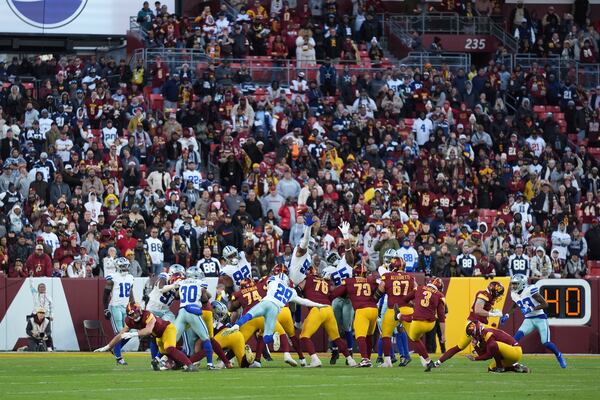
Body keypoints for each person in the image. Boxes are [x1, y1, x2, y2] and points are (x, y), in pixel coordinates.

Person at [222, 271, 326, 355]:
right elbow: (304, 301)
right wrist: (319, 305)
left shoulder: (273, 280)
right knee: (268, 337)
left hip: (266, 304)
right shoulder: (291, 292)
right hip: (275, 310)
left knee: (249, 315)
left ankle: (236, 325)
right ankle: (275, 339)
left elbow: (233, 305)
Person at [95, 302, 198, 372]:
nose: (134, 316)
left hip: (167, 329)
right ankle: (179, 362)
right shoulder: (129, 320)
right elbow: (120, 335)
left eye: (135, 313)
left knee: (169, 348)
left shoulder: (148, 315)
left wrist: (133, 333)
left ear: (139, 310)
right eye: (132, 314)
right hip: (158, 335)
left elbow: (148, 330)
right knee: (166, 352)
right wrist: (107, 347)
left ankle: (190, 365)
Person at [501, 274, 567, 368]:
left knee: (546, 342)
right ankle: (509, 361)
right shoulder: (514, 294)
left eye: (515, 284)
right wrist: (507, 315)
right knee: (514, 340)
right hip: (529, 320)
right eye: (513, 284)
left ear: (522, 284)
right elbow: (515, 304)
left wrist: (531, 309)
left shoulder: (530, 290)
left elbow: (545, 304)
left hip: (540, 318)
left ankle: (559, 355)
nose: (513, 286)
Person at [297, 265, 356, 367]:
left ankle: (315, 360)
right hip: (328, 309)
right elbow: (332, 293)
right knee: (337, 338)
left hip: (317, 308)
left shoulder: (308, 279)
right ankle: (350, 360)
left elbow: (298, 291)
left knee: (304, 336)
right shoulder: (326, 282)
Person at [436, 281, 505, 367]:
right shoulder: (484, 295)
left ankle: (437, 363)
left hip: (474, 324)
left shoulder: (488, 296)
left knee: (459, 347)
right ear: (493, 291)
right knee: (495, 342)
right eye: (498, 294)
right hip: (475, 325)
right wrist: (493, 314)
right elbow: (478, 310)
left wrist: (492, 311)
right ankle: (501, 364)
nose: (498, 296)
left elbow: (482, 309)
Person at [331, 263, 378, 368]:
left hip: (362, 310)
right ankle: (368, 359)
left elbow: (336, 293)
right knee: (369, 336)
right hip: (374, 310)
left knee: (360, 336)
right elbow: (381, 290)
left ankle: (365, 359)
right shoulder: (371, 281)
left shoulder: (349, 281)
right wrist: (375, 298)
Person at [395, 277, 446, 372]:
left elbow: (406, 299)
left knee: (414, 338)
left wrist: (413, 303)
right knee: (415, 316)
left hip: (418, 322)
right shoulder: (439, 295)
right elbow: (442, 317)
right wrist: (443, 335)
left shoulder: (419, 288)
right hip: (431, 324)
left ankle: (399, 316)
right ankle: (400, 316)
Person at [374, 255, 415, 367]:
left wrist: (373, 301)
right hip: (406, 306)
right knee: (410, 334)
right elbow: (416, 290)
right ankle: (422, 359)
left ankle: (389, 358)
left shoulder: (386, 274)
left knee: (386, 333)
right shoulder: (410, 276)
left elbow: (379, 291)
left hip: (391, 306)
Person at [102, 257, 134, 365]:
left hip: (126, 307)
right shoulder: (112, 277)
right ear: (118, 267)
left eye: (126, 265)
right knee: (121, 332)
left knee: (129, 332)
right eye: (122, 266)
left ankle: (114, 348)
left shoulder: (130, 277)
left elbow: (130, 294)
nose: (125, 268)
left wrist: (133, 305)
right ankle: (119, 357)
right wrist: (105, 308)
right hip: (115, 306)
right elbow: (105, 294)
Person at [464, 321, 530, 373]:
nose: (472, 336)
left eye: (472, 334)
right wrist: (475, 346)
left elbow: (489, 355)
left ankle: (500, 367)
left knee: (493, 345)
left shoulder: (488, 334)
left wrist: (475, 359)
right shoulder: (483, 337)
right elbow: (483, 355)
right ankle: (516, 367)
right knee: (491, 368)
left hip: (514, 351)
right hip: (507, 356)